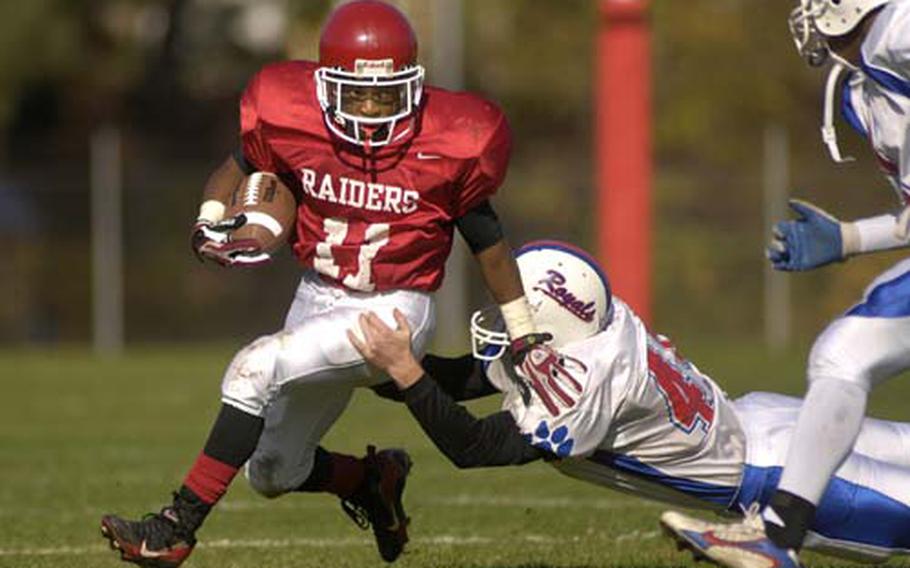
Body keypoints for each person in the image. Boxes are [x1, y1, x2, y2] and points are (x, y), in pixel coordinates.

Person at [98, 2, 549, 566]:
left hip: (395, 306)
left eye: (384, 95)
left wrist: (525, 329)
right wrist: (209, 218)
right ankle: (372, 479)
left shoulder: (450, 143)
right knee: (272, 471)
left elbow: (490, 246)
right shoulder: (292, 118)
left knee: (253, 367)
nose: (369, 108)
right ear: (325, 87)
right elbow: (234, 165)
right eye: (356, 94)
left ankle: (174, 527)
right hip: (318, 294)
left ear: (412, 87)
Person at [351, 240, 910, 565]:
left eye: (517, 313)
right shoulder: (599, 325)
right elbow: (478, 375)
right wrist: (372, 370)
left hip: (768, 474)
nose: (506, 321)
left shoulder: (585, 383)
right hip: (766, 423)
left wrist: (404, 370)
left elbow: (473, 447)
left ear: (552, 328)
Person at [658, 1, 910, 566]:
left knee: (845, 355)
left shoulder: (895, 31)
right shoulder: (863, 93)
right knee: (844, 356)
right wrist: (847, 240)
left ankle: (778, 535)